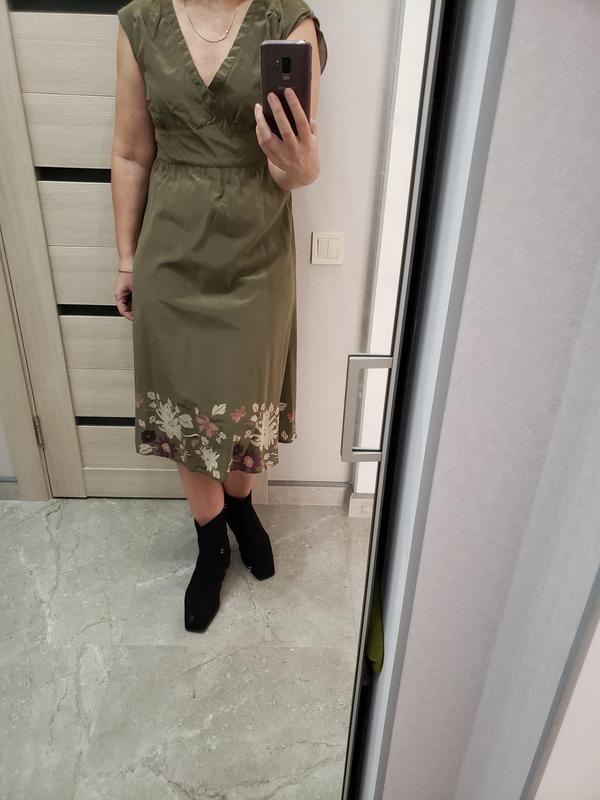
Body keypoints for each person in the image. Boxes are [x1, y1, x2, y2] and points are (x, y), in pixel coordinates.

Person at [111, 0, 328, 632]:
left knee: (243, 401)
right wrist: (126, 260)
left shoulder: (290, 24)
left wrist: (303, 164)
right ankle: (211, 541)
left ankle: (240, 507)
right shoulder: (140, 22)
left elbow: (299, 171)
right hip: (171, 253)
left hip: (256, 254)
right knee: (186, 407)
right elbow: (131, 154)